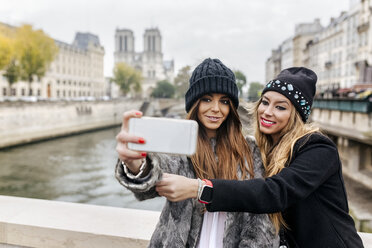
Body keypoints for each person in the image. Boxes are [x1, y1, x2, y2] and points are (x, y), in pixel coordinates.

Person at [158, 67, 364, 248]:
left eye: (280, 107)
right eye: (265, 102)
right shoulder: (264, 149)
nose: (267, 112)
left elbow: (274, 192)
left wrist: (200, 188)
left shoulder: (317, 148)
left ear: (296, 115)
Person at [115, 58, 278, 247]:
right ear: (195, 104)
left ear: (231, 107)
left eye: (224, 101)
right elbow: (156, 174)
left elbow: (259, 221)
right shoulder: (181, 147)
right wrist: (135, 164)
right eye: (207, 99)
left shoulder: (250, 151)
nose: (216, 109)